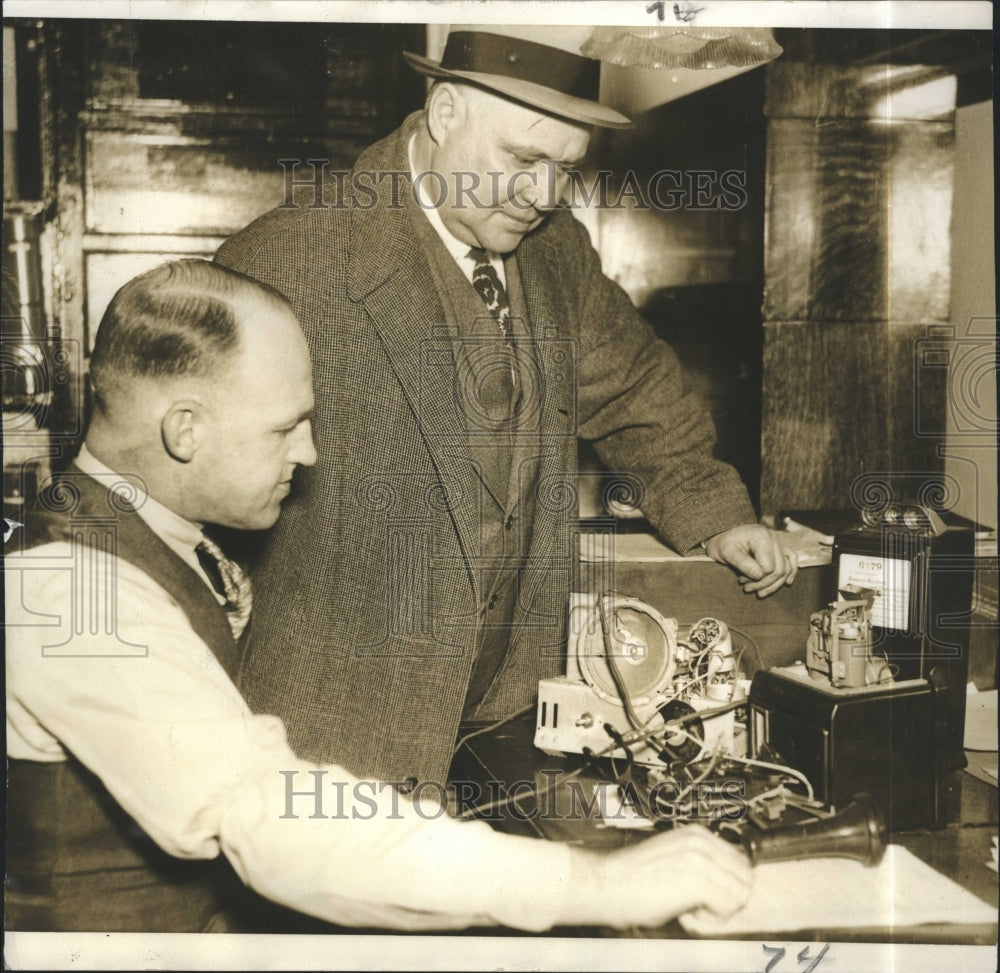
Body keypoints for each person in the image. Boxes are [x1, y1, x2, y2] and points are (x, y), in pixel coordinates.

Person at [5, 258, 752, 934]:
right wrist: (594, 881)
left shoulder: (153, 529)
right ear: (185, 431)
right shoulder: (69, 589)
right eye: (286, 426)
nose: (309, 451)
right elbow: (270, 817)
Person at [215, 25, 798, 787]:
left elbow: (634, 388)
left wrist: (715, 512)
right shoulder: (284, 260)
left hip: (501, 720)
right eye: (523, 159)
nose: (545, 194)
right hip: (329, 729)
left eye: (565, 167)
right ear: (446, 111)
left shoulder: (557, 252)